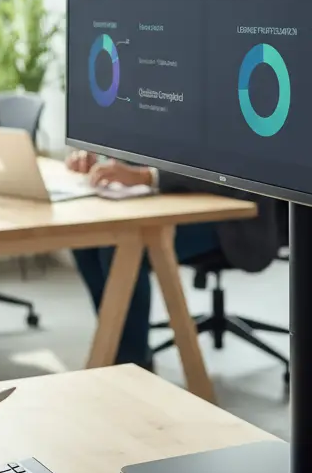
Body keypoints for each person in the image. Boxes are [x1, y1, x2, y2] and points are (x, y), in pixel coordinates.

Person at [64, 152, 280, 370]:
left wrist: (148, 176)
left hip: (235, 221)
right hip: (173, 197)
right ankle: (115, 346)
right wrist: (103, 162)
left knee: (123, 247)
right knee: (88, 240)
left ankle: (133, 365)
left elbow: (232, 172)